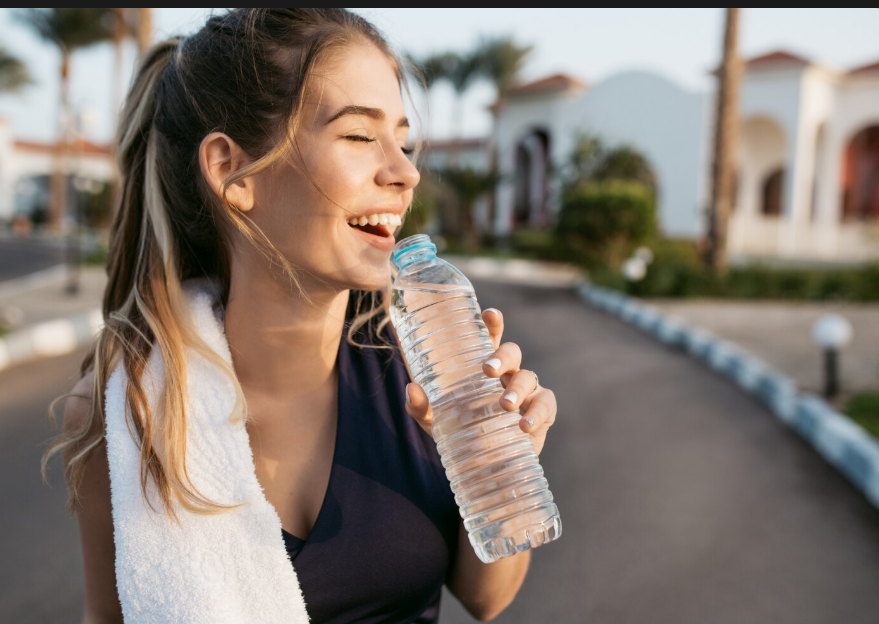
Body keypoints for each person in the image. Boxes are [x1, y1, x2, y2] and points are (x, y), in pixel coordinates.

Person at [42, 8, 559, 623]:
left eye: (404, 140)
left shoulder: (423, 377)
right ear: (232, 171)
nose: (406, 172)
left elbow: (487, 597)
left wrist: (506, 463)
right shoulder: (130, 411)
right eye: (360, 136)